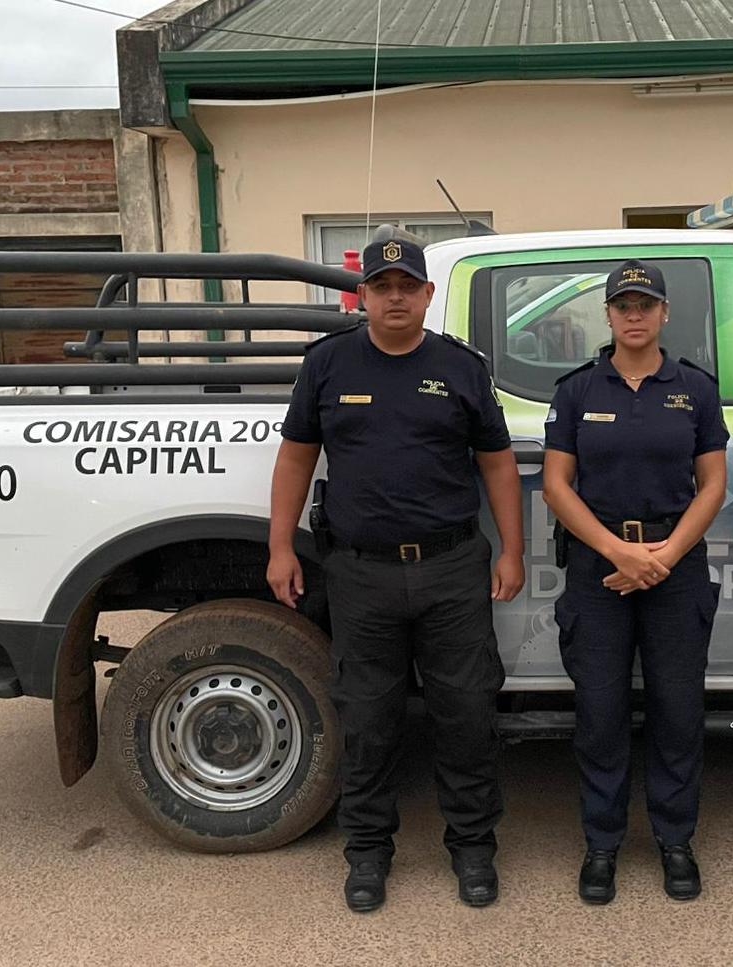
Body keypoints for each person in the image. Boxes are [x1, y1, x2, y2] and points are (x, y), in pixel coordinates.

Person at [267, 236, 525, 913]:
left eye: (408, 285)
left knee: (466, 714)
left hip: (451, 569)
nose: (396, 297)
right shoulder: (328, 364)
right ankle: (367, 852)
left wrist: (513, 551)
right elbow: (296, 457)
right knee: (368, 719)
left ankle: (473, 848)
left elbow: (497, 463)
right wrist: (280, 546)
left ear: (428, 294)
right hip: (361, 573)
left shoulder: (461, 367)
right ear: (364, 295)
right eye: (382, 286)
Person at [543, 260, 728, 905]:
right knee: (600, 713)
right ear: (609, 314)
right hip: (600, 567)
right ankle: (603, 845)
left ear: (664, 313)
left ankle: (676, 840)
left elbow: (713, 485)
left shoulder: (695, 389)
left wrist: (664, 556)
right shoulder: (577, 390)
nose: (635, 314)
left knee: (678, 711)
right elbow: (556, 485)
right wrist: (618, 551)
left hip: (675, 565)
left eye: (646, 304)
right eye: (623, 304)